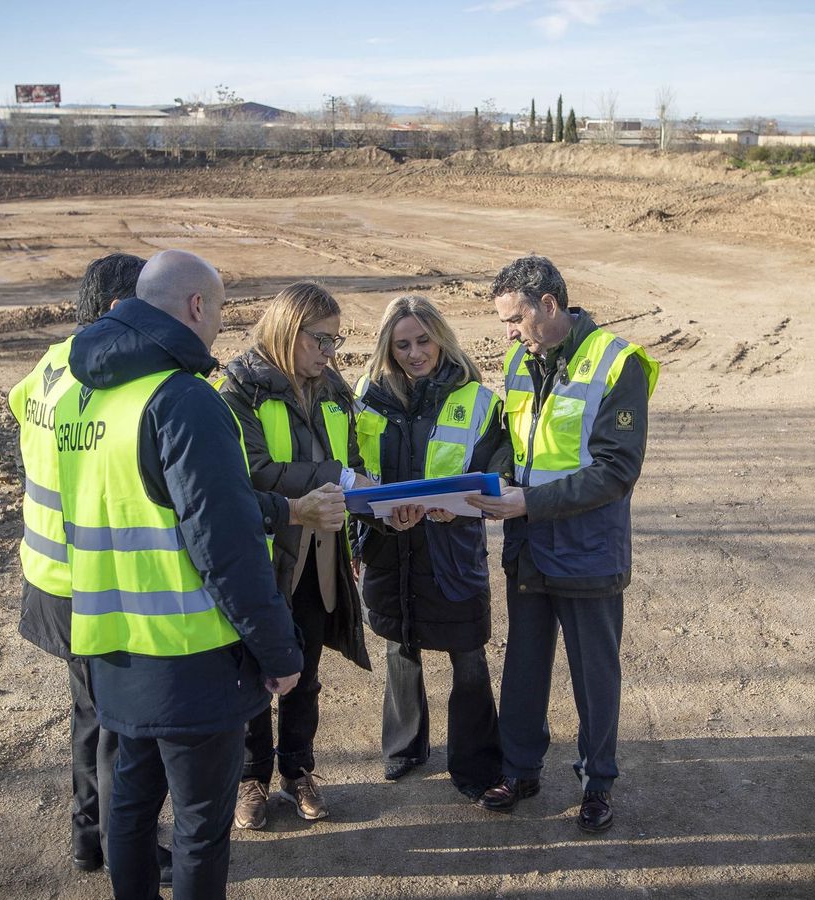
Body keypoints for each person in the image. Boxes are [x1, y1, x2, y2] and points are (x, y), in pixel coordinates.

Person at [60, 249, 318, 899]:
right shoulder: (184, 400)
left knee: (130, 808)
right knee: (201, 828)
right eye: (221, 309)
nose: (220, 324)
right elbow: (225, 546)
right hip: (190, 658)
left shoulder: (84, 400)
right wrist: (278, 651)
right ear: (197, 305)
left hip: (112, 648)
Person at [467, 255, 658, 835]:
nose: (507, 333)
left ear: (549, 305)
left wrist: (529, 501)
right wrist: (496, 476)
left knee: (593, 674)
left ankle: (597, 782)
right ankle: (519, 770)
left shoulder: (617, 363)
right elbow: (511, 438)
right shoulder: (520, 359)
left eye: (514, 319)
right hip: (529, 544)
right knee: (523, 665)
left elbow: (615, 470)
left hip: (588, 547)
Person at [10, 254, 179, 881]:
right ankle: (121, 846)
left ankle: (89, 839)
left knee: (89, 716)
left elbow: (19, 412)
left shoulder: (49, 367)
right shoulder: (105, 376)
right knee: (119, 728)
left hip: (49, 577)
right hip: (93, 583)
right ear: (117, 308)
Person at [215, 281, 373, 829]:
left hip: (318, 558)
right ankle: (251, 776)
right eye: (320, 339)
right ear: (287, 330)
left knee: (304, 671)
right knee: (256, 672)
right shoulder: (239, 390)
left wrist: (369, 508)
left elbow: (352, 460)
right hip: (262, 558)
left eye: (335, 340)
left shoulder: (333, 388)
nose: (330, 352)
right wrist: (338, 477)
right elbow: (253, 472)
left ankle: (298, 769)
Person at [352, 294, 503, 801]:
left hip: (450, 548)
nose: (415, 353)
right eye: (402, 345)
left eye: (423, 341)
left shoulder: (477, 399)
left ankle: (477, 764)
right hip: (389, 544)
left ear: (441, 338)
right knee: (400, 643)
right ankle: (404, 747)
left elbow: (495, 469)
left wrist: (459, 507)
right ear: (387, 347)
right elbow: (354, 470)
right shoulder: (366, 397)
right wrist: (361, 530)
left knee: (468, 653)